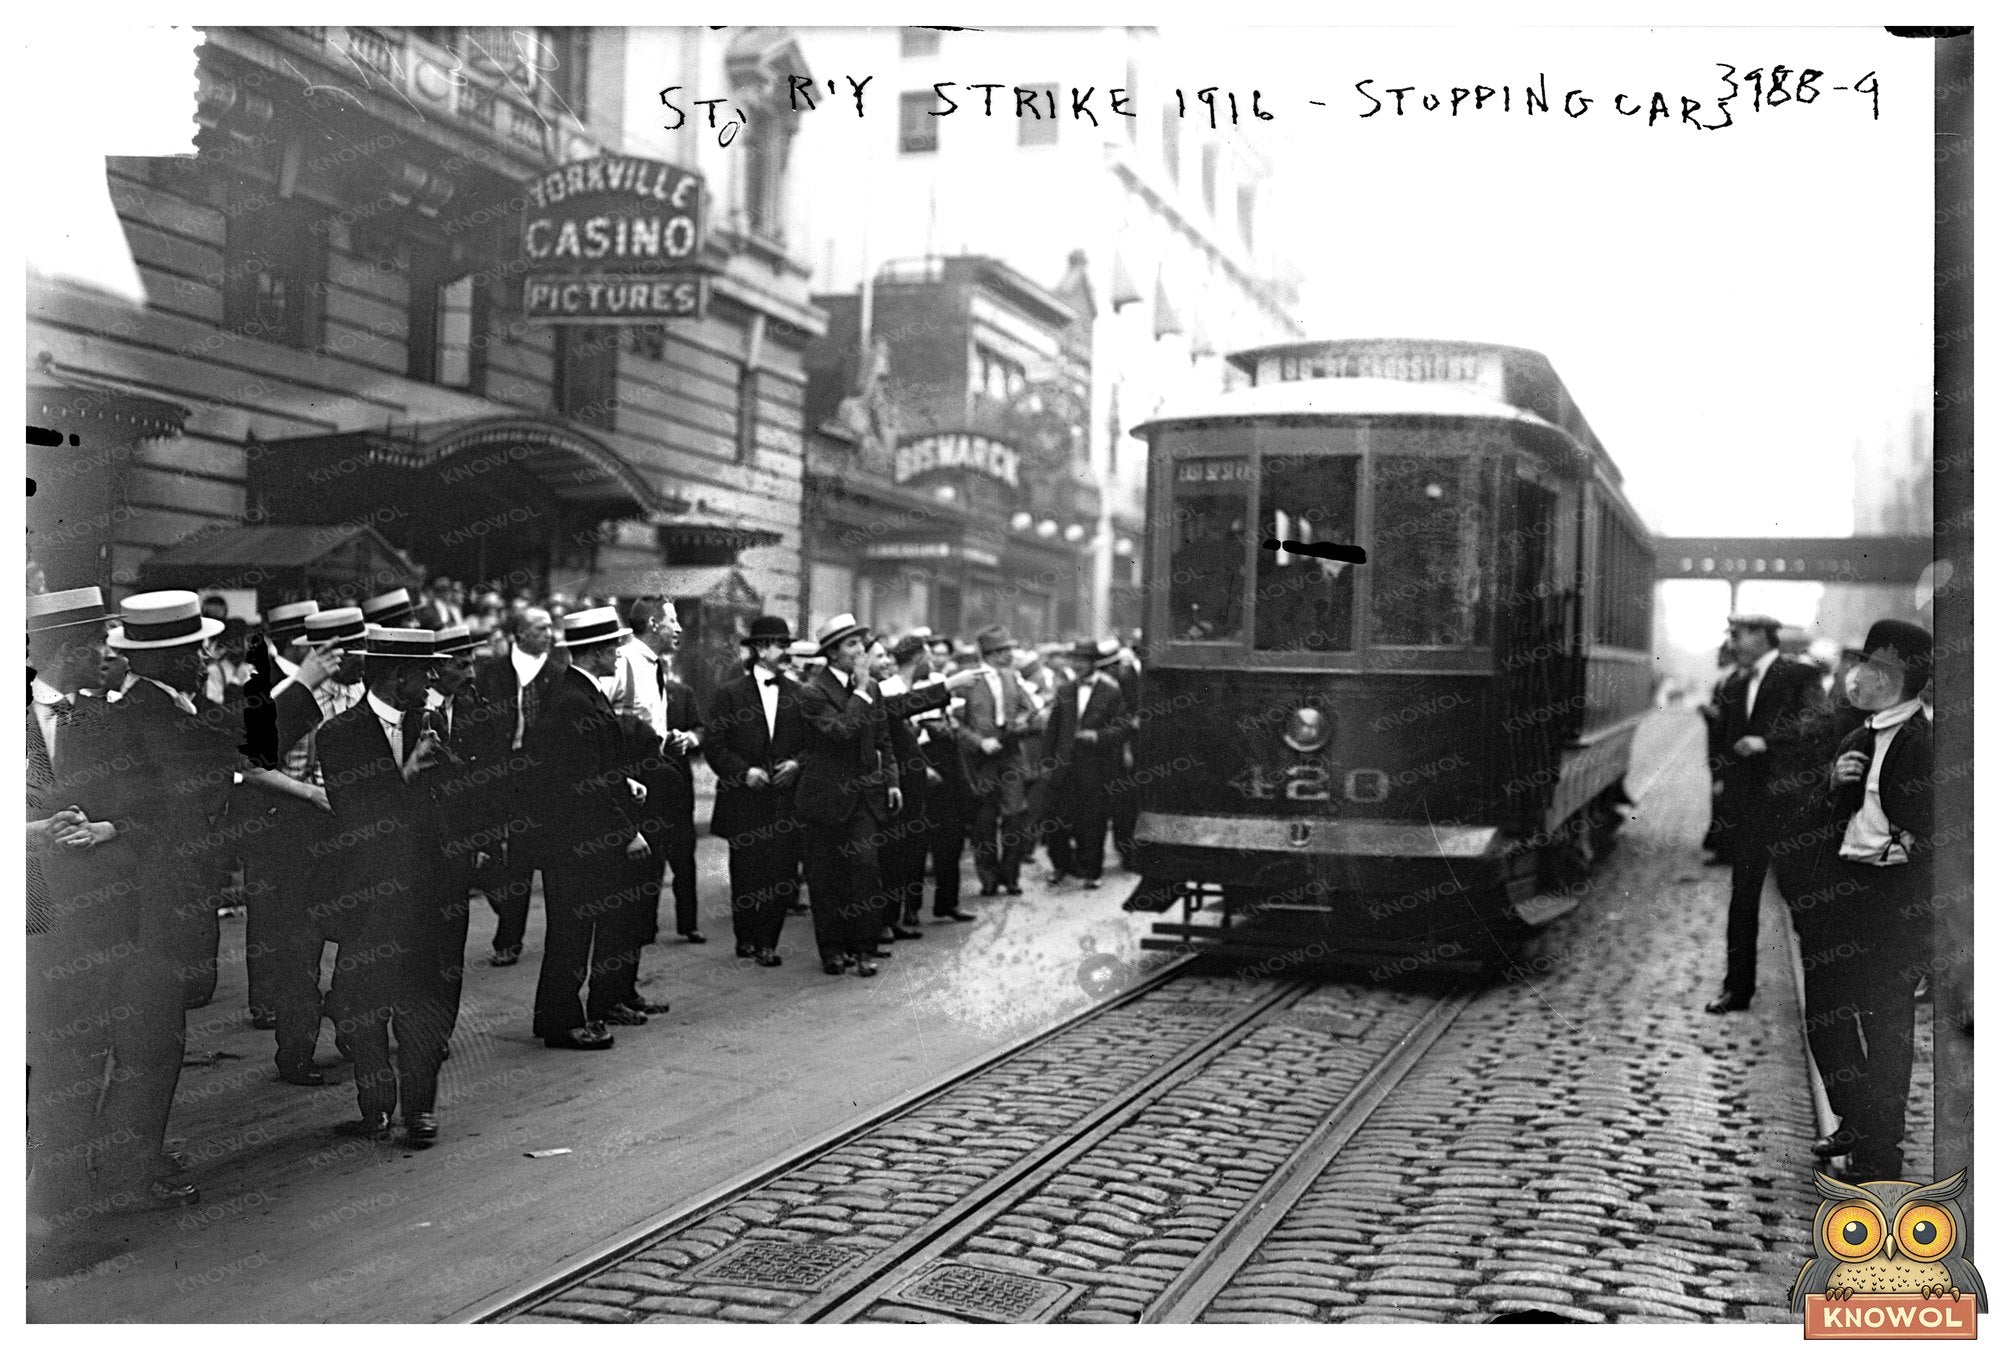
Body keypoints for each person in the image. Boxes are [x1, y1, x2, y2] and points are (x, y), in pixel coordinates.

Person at [70, 592, 235, 1210]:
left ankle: (127, 1154)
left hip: (156, 902)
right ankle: (128, 1170)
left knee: (150, 1037)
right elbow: (168, 814)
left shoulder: (151, 711)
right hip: (153, 905)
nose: (202, 659)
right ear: (170, 658)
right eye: (193, 650)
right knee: (152, 1039)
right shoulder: (153, 717)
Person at [1785, 621, 1934, 1179]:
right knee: (1824, 1014)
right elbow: (1815, 823)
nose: (1860, 677)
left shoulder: (1925, 743)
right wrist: (1832, 786)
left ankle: (1879, 1157)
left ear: (1904, 679)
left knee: (1887, 1025)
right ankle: (1854, 1115)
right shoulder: (1856, 738)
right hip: (1840, 898)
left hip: (1892, 903)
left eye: (1876, 668)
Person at [316, 626, 453, 1144]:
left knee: (422, 1004)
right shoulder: (340, 735)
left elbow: (456, 797)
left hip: (426, 894)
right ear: (398, 677)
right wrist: (408, 776)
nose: (433, 679)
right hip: (368, 895)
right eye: (425, 671)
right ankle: (376, 1105)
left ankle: (420, 1109)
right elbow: (356, 818)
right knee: (365, 1006)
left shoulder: (432, 721)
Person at [793, 614, 966, 976]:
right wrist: (859, 690)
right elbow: (841, 731)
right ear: (834, 653)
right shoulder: (813, 692)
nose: (862, 651)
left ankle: (865, 948)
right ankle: (832, 950)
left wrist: (891, 781)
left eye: (861, 643)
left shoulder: (870, 689)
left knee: (866, 869)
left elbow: (883, 739)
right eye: (853, 645)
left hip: (865, 798)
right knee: (827, 878)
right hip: (825, 798)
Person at [524, 607, 653, 1048]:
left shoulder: (578, 692)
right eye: (614, 647)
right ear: (595, 651)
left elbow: (595, 767)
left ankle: (556, 1016)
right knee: (571, 934)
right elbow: (584, 783)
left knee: (572, 930)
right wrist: (627, 832)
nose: (619, 654)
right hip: (575, 841)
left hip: (575, 837)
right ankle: (562, 1021)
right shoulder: (576, 700)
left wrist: (624, 781)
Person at [1706, 613, 1826, 1014]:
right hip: (1749, 813)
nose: (1733, 643)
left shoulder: (1799, 676)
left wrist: (1766, 742)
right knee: (1743, 901)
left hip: (1790, 811)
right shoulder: (1736, 686)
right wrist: (1723, 780)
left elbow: (1817, 726)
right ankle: (1736, 990)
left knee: (1802, 904)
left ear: (1761, 636)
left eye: (1738, 635)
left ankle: (1823, 995)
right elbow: (1724, 741)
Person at [704, 616, 807, 966]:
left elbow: (814, 744)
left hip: (784, 799)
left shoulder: (798, 694)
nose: (786, 653)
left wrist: (796, 765)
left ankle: (768, 942)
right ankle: (746, 937)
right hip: (744, 799)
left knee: (781, 873)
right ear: (761, 649)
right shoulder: (729, 694)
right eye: (781, 646)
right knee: (747, 872)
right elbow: (714, 745)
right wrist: (743, 772)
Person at [610, 597, 706, 946]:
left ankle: (627, 982)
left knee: (652, 868)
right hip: (633, 782)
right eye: (672, 620)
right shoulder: (624, 664)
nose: (678, 628)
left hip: (657, 780)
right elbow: (598, 719)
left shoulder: (652, 665)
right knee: (633, 877)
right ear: (653, 624)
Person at [472, 605, 560, 967]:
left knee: (522, 856)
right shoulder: (492, 674)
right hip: (496, 773)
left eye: (551, 627)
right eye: (541, 628)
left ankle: (509, 939)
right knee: (489, 855)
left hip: (538, 777)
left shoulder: (558, 675)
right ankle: (505, 906)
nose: (550, 634)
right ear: (520, 634)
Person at [1042, 637, 1133, 889]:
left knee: (1093, 822)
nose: (1079, 665)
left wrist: (1098, 736)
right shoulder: (1065, 690)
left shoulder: (1111, 691)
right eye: (1075, 660)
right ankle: (1061, 865)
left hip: (1096, 768)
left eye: (1084, 660)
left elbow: (1123, 727)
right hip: (1063, 767)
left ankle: (1092, 872)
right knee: (1056, 822)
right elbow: (1053, 729)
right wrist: (1047, 762)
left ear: (1094, 663)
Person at [959, 625, 1033, 897]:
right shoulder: (968, 681)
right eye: (1004, 650)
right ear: (991, 653)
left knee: (1015, 815)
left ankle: (1010, 876)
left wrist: (1021, 722)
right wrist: (979, 742)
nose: (1010, 655)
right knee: (984, 822)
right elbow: (955, 723)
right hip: (982, 760)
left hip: (1011, 753)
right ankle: (988, 878)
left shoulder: (1012, 677)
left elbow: (1028, 709)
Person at [870, 638, 932, 944]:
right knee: (887, 853)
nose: (886, 661)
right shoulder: (882, 690)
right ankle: (882, 920)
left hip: (909, 781)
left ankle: (893, 917)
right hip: (888, 782)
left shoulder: (899, 689)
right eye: (878, 655)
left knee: (904, 853)